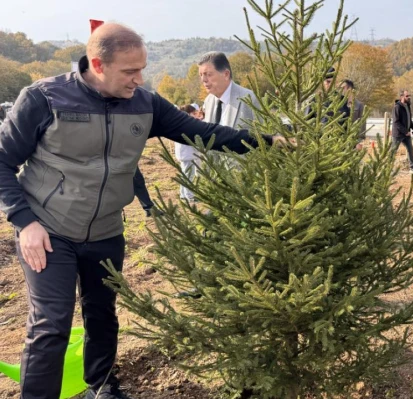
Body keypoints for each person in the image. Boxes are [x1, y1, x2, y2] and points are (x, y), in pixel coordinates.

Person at [0, 23, 284, 399]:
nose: (139, 79)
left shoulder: (145, 104)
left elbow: (207, 133)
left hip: (105, 231)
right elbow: (3, 161)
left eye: (142, 69)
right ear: (98, 64)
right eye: (130, 71)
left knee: (102, 314)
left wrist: (270, 142)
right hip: (48, 231)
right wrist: (25, 221)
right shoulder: (45, 98)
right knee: (51, 324)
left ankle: (102, 385)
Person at [174, 104, 202, 203]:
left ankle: (183, 195)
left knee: (185, 175)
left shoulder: (180, 123)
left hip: (185, 154)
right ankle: (189, 196)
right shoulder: (185, 125)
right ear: (188, 114)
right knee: (188, 176)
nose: (195, 116)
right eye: (194, 113)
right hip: (187, 154)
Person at [391, 89, 413, 173]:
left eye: (409, 95)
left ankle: (412, 167)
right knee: (393, 151)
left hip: (406, 134)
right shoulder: (397, 107)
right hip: (398, 134)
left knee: (410, 149)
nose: (409, 97)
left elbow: (409, 120)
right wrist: (405, 131)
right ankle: (388, 168)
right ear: (401, 97)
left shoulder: (408, 106)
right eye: (407, 96)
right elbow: (396, 122)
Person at [339, 79, 367, 150]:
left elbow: (362, 124)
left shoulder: (359, 105)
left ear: (350, 89)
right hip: (340, 140)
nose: (340, 90)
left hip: (353, 140)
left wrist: (359, 141)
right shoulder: (339, 104)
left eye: (343, 88)